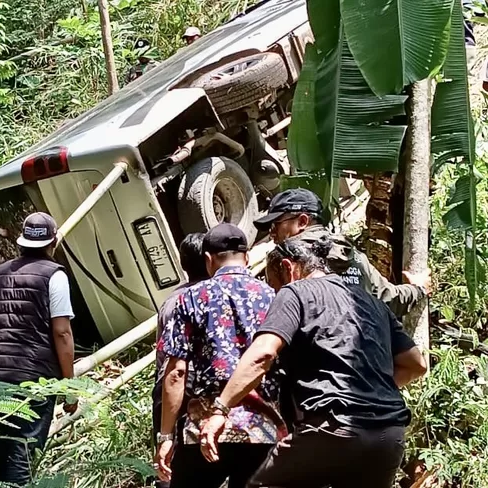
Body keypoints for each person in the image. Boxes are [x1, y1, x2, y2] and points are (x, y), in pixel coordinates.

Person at [199, 237, 428, 488]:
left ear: (288, 268)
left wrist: (221, 409)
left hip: (331, 427)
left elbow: (263, 354)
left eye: (273, 284)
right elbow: (416, 364)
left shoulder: (295, 292)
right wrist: (368, 387)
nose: (275, 291)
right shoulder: (371, 302)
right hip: (387, 435)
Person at [156, 223, 285, 488]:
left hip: (204, 428)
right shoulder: (273, 297)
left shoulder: (189, 298)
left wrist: (166, 436)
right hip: (261, 429)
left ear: (207, 260)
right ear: (247, 257)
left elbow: (176, 373)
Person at [0, 212, 76, 486]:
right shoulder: (54, 276)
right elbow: (62, 332)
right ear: (52, 243)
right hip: (32, 378)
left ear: (21, 242)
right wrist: (70, 387)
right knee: (22, 449)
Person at [253, 188, 429, 317]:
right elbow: (387, 300)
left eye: (276, 225)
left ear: (302, 221)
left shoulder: (285, 258)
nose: (272, 233)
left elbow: (277, 311)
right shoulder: (353, 255)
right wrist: (417, 289)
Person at [152, 233, 209, 488]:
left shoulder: (171, 300)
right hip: (203, 388)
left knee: (168, 461)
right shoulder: (214, 296)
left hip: (169, 385)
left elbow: (162, 354)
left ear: (182, 263)